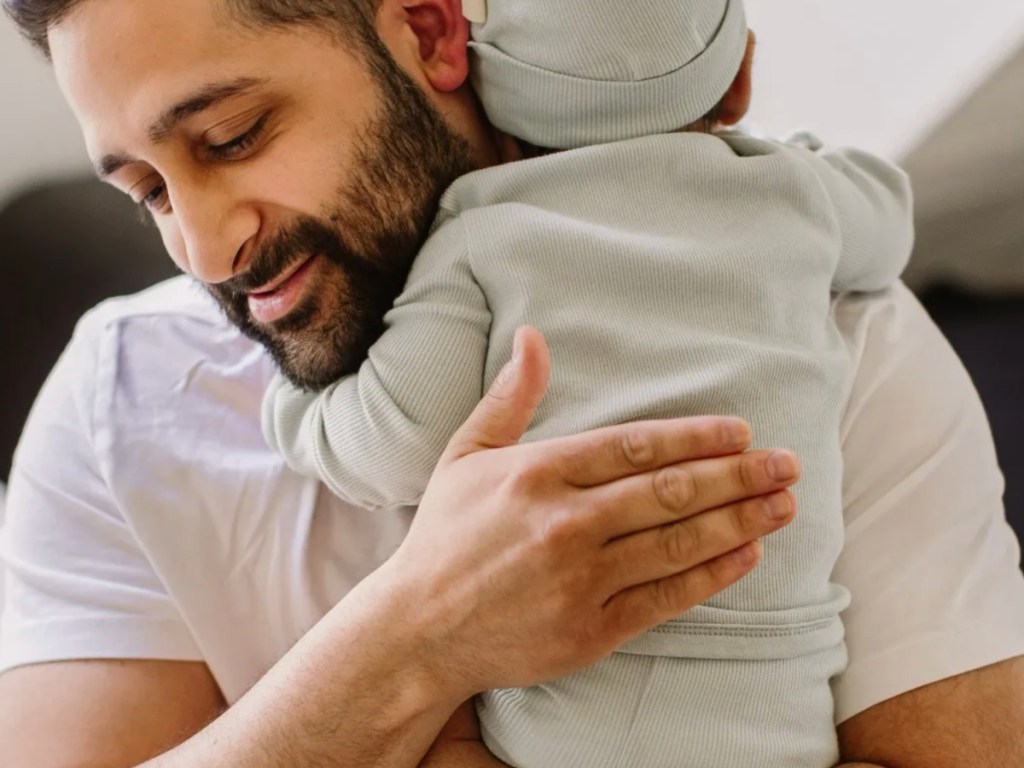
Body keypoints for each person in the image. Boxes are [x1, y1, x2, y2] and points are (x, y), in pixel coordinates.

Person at [0, 0, 1022, 766]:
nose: (208, 249)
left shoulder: (835, 331)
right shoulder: (123, 398)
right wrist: (416, 638)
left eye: (233, 137)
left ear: (430, 30)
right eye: (147, 191)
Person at [258, 2, 911, 765]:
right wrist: (796, 161)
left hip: (579, 708)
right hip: (782, 688)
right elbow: (891, 219)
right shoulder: (794, 192)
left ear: (482, 89)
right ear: (738, 85)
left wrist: (290, 409)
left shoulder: (484, 228)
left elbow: (397, 443)